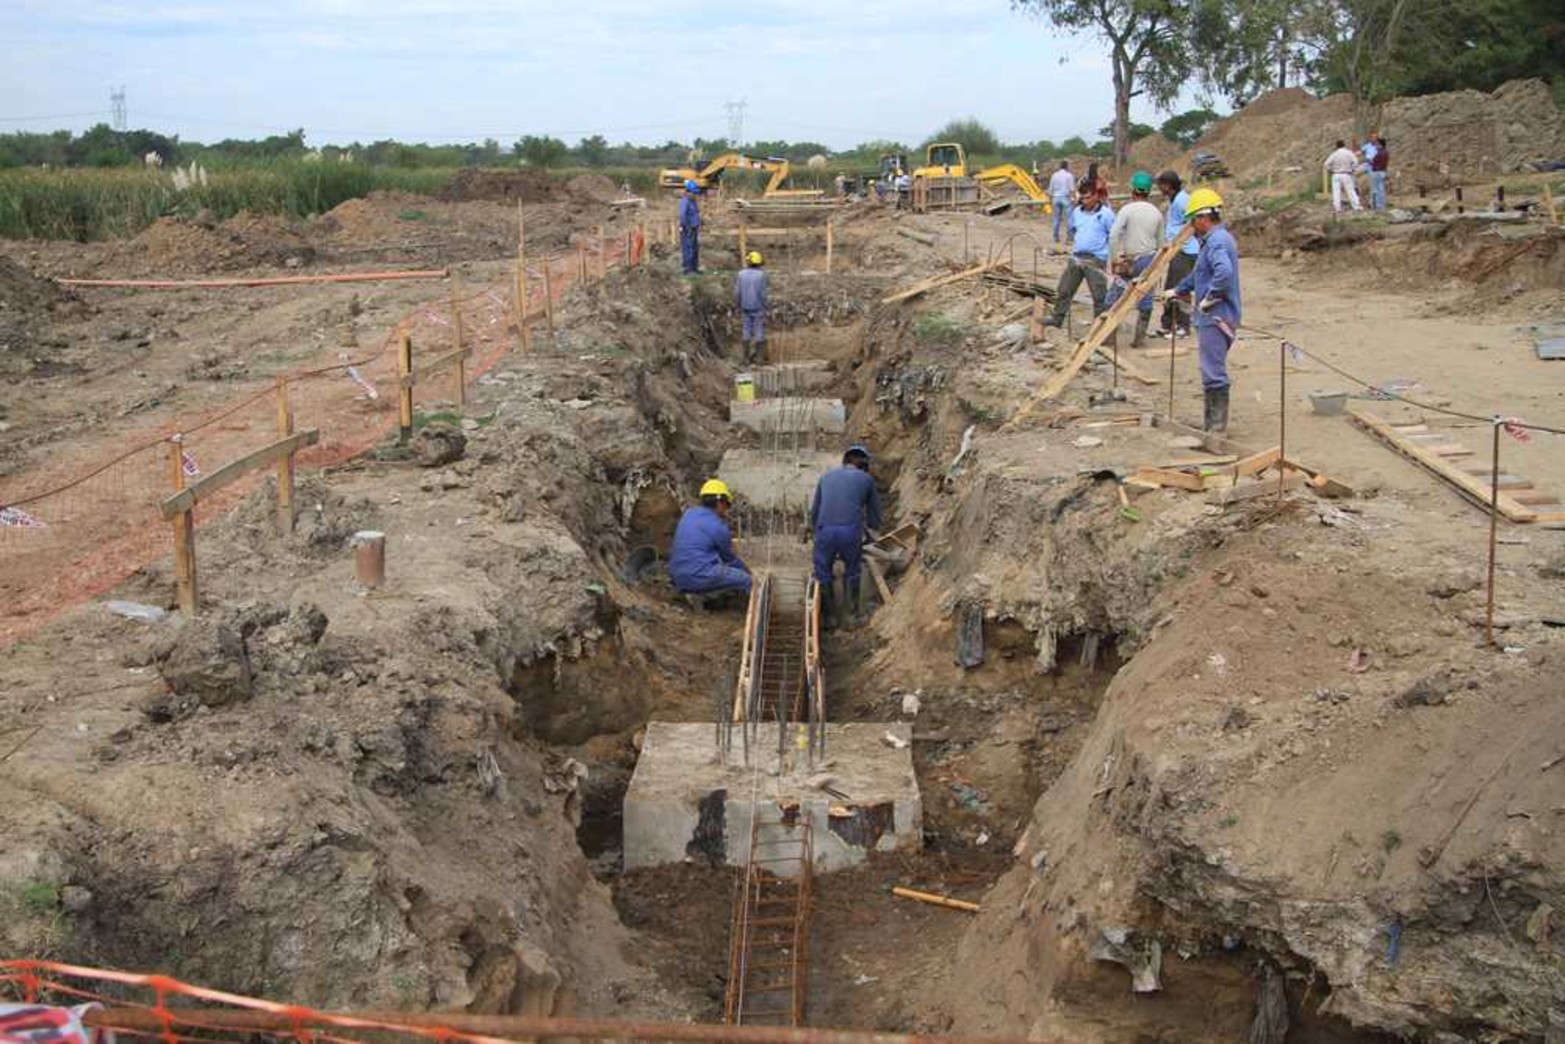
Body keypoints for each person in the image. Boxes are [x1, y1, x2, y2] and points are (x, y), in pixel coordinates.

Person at [1165, 188, 1241, 434]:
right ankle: (1211, 425)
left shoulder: (1217, 241)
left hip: (1216, 315)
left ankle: (1216, 429)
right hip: (1215, 314)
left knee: (1213, 372)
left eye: (1192, 220)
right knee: (1211, 368)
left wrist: (1212, 297)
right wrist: (1178, 289)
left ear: (1202, 218)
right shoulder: (1215, 240)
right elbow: (1200, 273)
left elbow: (1224, 273)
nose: (1191, 226)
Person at [808, 444, 883, 626]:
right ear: (864, 465)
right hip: (850, 531)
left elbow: (815, 512)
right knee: (852, 569)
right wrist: (873, 531)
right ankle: (851, 617)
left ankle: (829, 618)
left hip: (825, 530)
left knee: (823, 571)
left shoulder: (825, 477)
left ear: (845, 461)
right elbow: (874, 515)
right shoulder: (866, 479)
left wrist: (815, 532)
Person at [1106, 170, 1164, 347]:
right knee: (1145, 299)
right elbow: (1161, 244)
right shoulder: (1157, 213)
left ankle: (1108, 336)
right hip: (1149, 260)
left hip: (1129, 261)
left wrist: (1114, 259)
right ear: (1148, 191)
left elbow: (1114, 235)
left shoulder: (1127, 210)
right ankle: (1139, 338)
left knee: (1114, 297)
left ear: (1132, 190)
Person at [1044, 188, 1115, 329]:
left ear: (1096, 196)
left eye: (1088, 197)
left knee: (1099, 295)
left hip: (1095, 258)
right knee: (1064, 289)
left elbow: (1113, 235)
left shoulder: (1106, 214)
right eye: (1082, 198)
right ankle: (1057, 318)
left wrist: (1110, 257)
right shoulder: (1077, 212)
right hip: (1077, 256)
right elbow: (1075, 230)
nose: (1084, 201)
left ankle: (1100, 326)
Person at [668, 479, 751, 601]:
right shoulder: (719, 527)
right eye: (727, 505)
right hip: (697, 577)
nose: (726, 510)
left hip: (677, 576)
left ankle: (697, 596)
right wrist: (748, 572)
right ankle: (751, 613)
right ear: (720, 503)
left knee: (717, 568)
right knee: (746, 580)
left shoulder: (689, 514)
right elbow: (729, 560)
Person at [1155, 170, 1199, 337]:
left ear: (1168, 185)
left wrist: (1183, 240)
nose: (1159, 188)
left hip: (1186, 250)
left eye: (1160, 184)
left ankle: (1183, 325)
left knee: (1180, 289)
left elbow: (1194, 221)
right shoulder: (1174, 200)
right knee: (1170, 288)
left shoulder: (1182, 200)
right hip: (1176, 249)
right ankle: (1168, 324)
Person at [736, 250, 769, 364]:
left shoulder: (741, 274)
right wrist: (766, 305)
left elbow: (737, 292)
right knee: (759, 331)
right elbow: (763, 293)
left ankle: (745, 358)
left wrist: (737, 304)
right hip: (758, 307)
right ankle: (759, 358)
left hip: (745, 307)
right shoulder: (761, 275)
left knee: (746, 331)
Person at [1324, 141, 1362, 213]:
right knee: (1350, 191)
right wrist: (1352, 169)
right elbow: (1356, 162)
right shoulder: (1349, 153)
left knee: (1336, 192)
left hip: (1336, 174)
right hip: (1346, 174)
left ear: (1336, 146)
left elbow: (1326, 164)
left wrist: (1330, 170)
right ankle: (1356, 206)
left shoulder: (1334, 154)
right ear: (1344, 145)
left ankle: (1337, 208)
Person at [1047, 160, 1076, 248]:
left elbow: (1050, 189)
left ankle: (1056, 237)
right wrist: (1074, 198)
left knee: (1056, 218)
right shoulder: (1069, 176)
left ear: (1060, 166)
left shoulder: (1054, 175)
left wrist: (1050, 199)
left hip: (1056, 198)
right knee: (1070, 218)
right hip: (1065, 197)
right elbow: (1071, 189)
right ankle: (1070, 238)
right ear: (1067, 166)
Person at [678, 179, 702, 274]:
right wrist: (685, 226)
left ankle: (694, 268)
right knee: (688, 248)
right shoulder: (685, 202)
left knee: (695, 248)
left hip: (694, 228)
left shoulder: (693, 201)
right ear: (688, 192)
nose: (695, 195)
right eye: (693, 193)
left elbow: (695, 214)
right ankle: (688, 269)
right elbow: (682, 215)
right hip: (688, 228)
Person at [1365, 131, 1389, 210]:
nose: (1376, 145)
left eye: (1378, 144)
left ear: (1380, 145)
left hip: (1376, 172)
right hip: (1383, 171)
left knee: (1375, 189)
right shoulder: (1386, 152)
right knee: (1381, 188)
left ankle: (1375, 205)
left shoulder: (1379, 153)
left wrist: (1369, 160)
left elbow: (1374, 162)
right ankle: (1382, 205)